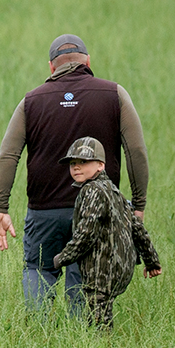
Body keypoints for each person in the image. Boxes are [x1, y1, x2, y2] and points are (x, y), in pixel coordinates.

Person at [0, 33, 149, 315]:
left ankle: (39, 333)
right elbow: (135, 150)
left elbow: (8, 155)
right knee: (85, 270)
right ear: (88, 62)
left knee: (38, 268)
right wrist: (138, 205)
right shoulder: (114, 94)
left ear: (51, 67)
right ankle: (81, 336)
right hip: (98, 209)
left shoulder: (31, 101)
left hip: (44, 210)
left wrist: (0, 207)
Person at [51, 137, 161, 329]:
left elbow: (86, 233)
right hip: (120, 267)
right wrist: (151, 261)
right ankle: (101, 346)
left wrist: (62, 258)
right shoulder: (113, 190)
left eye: (84, 162)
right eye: (73, 163)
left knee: (98, 317)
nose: (76, 167)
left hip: (102, 267)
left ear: (100, 165)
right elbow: (137, 227)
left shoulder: (92, 190)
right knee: (101, 309)